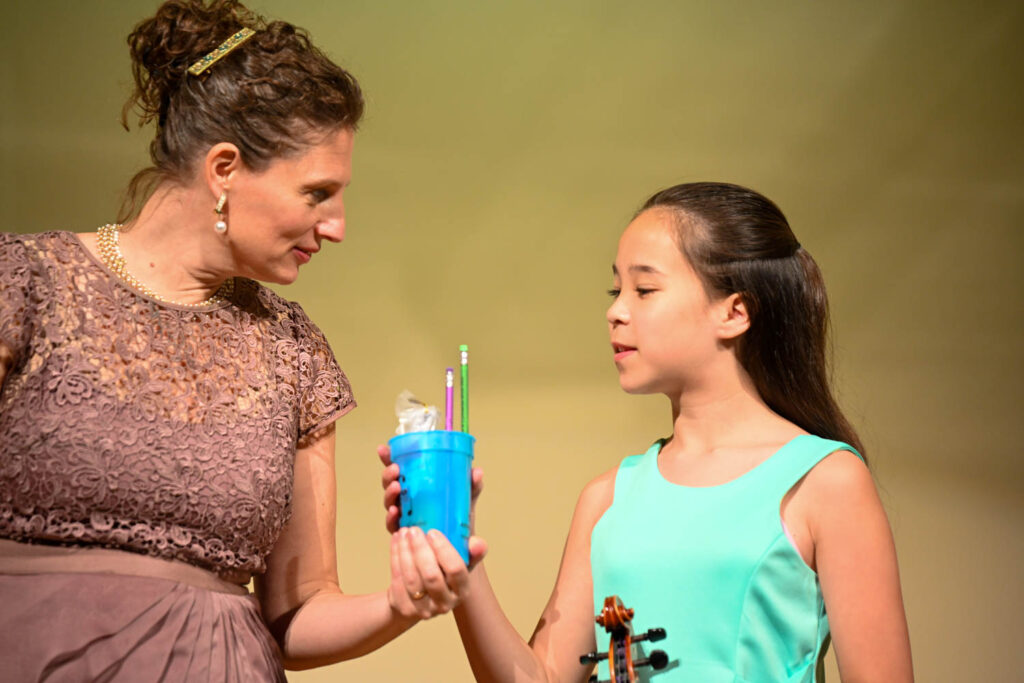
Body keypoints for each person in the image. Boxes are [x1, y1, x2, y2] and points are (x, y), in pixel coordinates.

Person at [0, 1, 473, 680]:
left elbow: (298, 612)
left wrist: (402, 604)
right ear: (224, 168)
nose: (337, 226)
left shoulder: (293, 350)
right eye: (317, 193)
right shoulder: (24, 284)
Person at [381, 182, 914, 682]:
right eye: (616, 289)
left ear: (735, 312)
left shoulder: (827, 481)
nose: (615, 311)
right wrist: (458, 552)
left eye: (644, 289)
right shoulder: (606, 498)